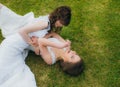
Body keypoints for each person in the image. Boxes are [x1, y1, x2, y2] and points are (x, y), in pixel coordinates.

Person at [0, 3, 71, 87]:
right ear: (58, 18)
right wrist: (33, 44)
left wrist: (38, 41)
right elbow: (22, 31)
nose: (61, 26)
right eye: (62, 24)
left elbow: (41, 35)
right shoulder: (45, 24)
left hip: (18, 44)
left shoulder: (48, 21)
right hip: (14, 44)